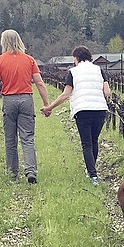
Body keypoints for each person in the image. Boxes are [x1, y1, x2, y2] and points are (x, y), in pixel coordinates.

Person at [0, 29, 50, 184]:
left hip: (9, 100)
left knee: (10, 138)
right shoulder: (29, 60)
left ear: (3, 42)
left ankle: (12, 173)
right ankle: (31, 172)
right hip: (26, 100)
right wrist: (46, 104)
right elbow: (39, 83)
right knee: (27, 137)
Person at [42, 45, 110, 185]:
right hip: (100, 110)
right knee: (94, 140)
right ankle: (91, 171)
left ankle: (93, 175)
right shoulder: (99, 70)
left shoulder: (73, 72)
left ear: (77, 58)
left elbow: (65, 94)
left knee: (86, 144)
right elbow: (107, 92)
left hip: (82, 110)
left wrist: (50, 107)